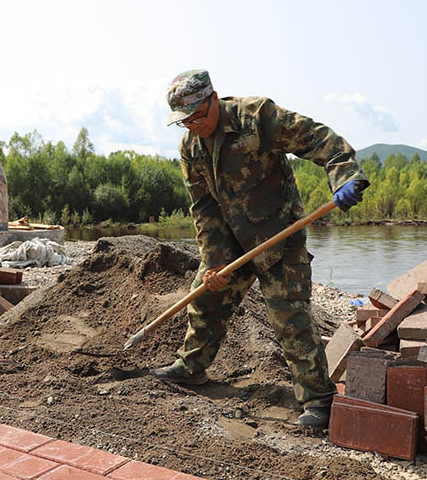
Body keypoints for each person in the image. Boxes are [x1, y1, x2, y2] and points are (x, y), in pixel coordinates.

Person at [150, 69, 369, 427]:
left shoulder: (256, 117)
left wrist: (344, 175)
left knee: (289, 316)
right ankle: (191, 368)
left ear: (214, 99)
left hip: (279, 234)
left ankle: (319, 402)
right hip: (232, 242)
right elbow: (203, 208)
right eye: (184, 121)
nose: (193, 125)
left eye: (198, 116)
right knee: (205, 298)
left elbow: (316, 138)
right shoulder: (190, 146)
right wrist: (213, 263)